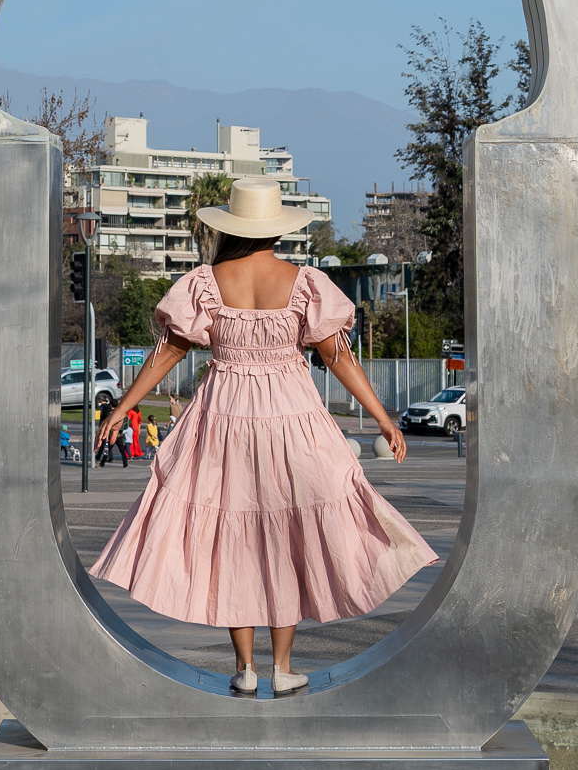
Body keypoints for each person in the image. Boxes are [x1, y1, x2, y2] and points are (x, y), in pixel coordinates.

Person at [92, 174, 436, 697]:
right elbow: (336, 357)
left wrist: (123, 406)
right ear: (276, 230)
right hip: (291, 416)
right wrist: (383, 417)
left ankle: (245, 669)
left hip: (222, 414)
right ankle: (283, 667)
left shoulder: (205, 283)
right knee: (286, 530)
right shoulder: (305, 283)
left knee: (234, 535)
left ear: (231, 226)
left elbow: (170, 352)